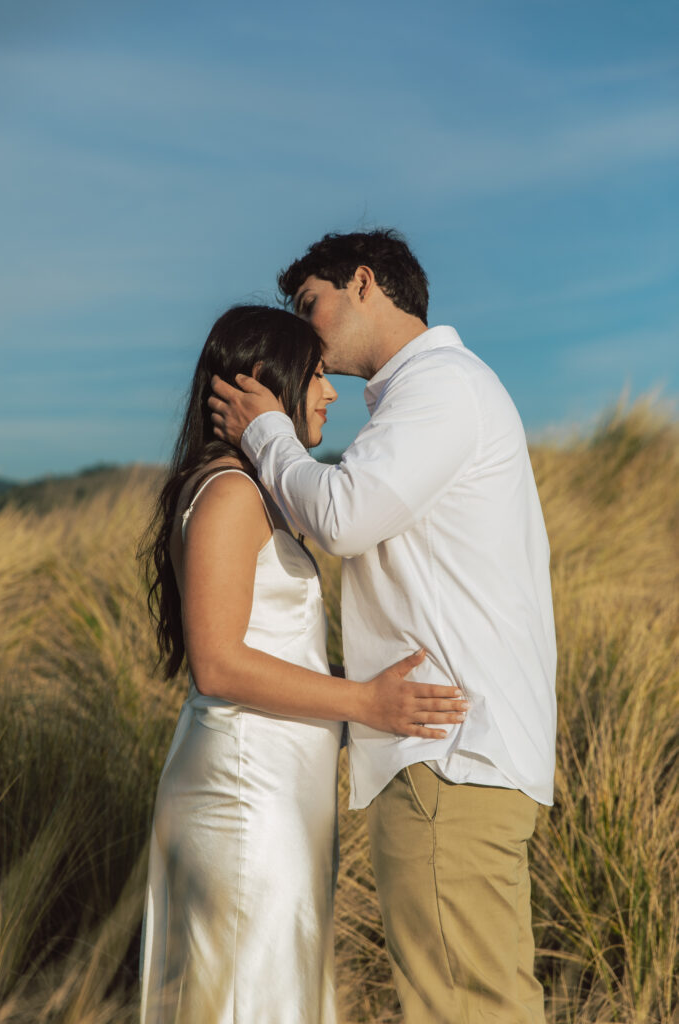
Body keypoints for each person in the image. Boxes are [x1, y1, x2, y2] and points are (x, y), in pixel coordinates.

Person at [208, 231, 558, 1024]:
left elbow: (343, 516)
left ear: (362, 283)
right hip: (456, 756)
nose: (308, 337)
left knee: (462, 1007)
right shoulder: (433, 394)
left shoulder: (440, 388)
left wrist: (262, 429)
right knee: (488, 1000)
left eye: (310, 306)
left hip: (445, 756)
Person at [139, 304, 468, 1024]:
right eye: (316, 375)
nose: (329, 392)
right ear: (264, 385)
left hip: (276, 784)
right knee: (247, 997)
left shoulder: (257, 492)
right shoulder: (229, 493)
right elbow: (218, 666)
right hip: (244, 789)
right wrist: (366, 704)